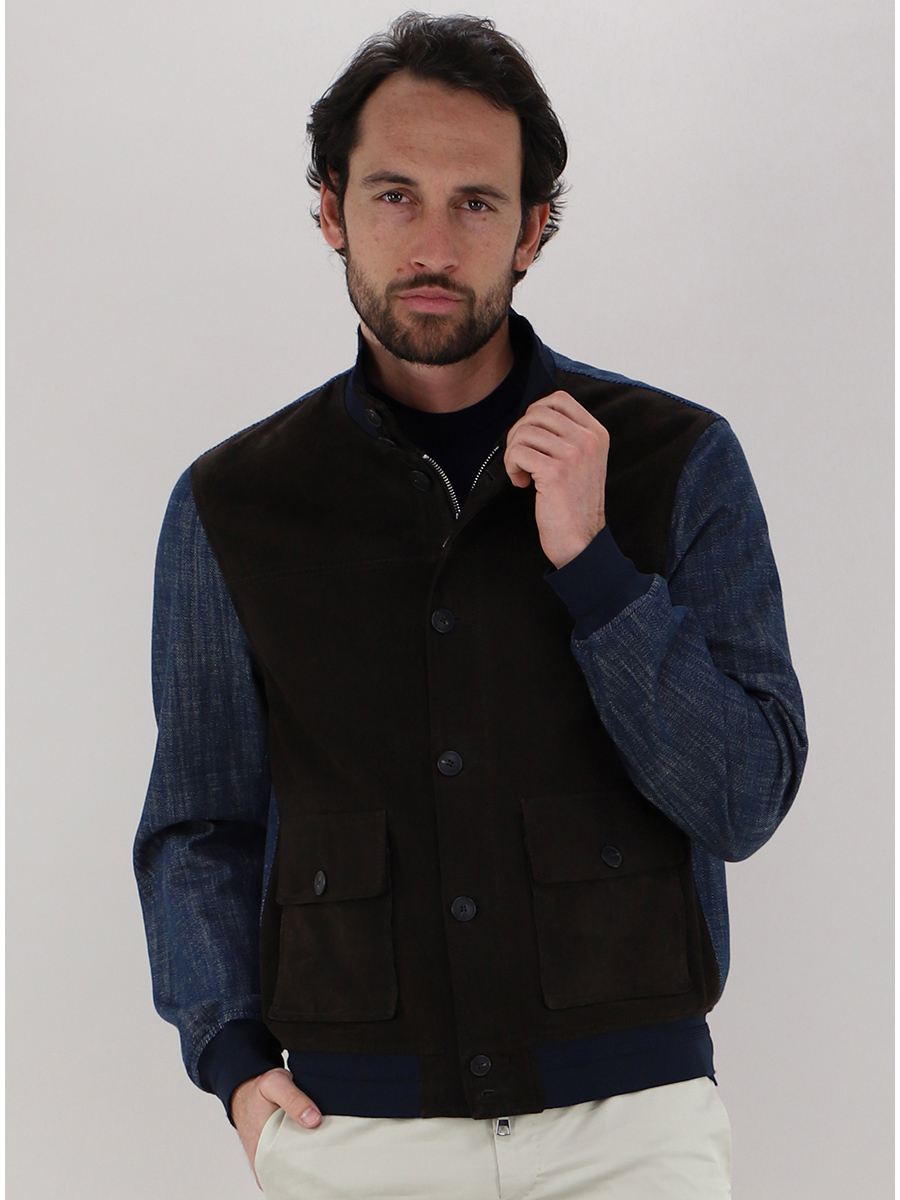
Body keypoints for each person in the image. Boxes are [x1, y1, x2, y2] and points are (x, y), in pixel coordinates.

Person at [134, 12, 807, 1198]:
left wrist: (596, 569)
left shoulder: (675, 460)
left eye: (477, 202)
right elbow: (199, 823)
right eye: (395, 196)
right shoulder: (232, 503)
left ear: (533, 228)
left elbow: (744, 797)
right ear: (332, 210)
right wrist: (233, 1061)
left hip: (631, 1130)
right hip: (355, 1130)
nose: (434, 244)